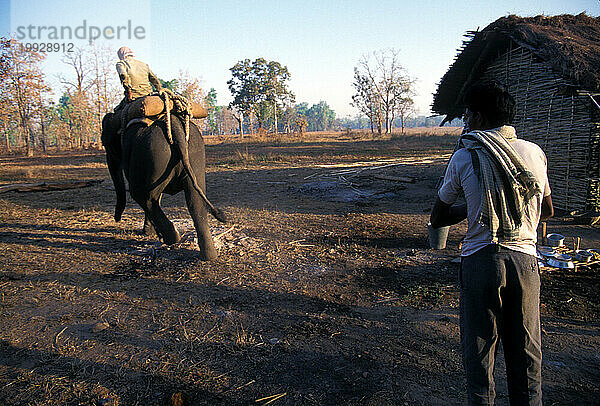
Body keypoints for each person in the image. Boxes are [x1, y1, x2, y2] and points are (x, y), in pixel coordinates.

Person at [430, 81, 553, 405]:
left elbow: (439, 216)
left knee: (480, 354)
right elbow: (548, 209)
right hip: (525, 265)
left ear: (481, 118)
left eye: (469, 114)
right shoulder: (534, 154)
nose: (466, 121)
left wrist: (475, 207)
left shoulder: (465, 156)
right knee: (526, 356)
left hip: (481, 263)